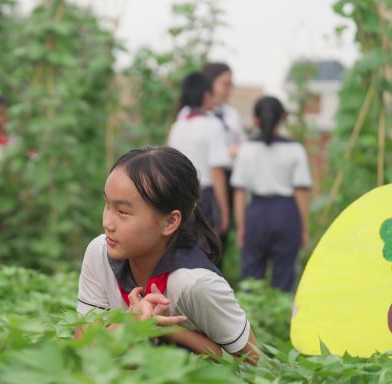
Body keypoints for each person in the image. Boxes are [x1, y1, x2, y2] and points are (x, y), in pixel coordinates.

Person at [76, 146, 258, 363]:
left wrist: (167, 330)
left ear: (170, 222)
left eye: (123, 212)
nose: (107, 222)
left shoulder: (195, 284)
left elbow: (252, 362)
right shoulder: (99, 253)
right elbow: (85, 351)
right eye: (107, 205)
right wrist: (131, 322)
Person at [232, 96, 311, 292]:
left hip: (256, 213)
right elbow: (300, 191)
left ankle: (250, 319)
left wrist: (242, 226)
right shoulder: (295, 149)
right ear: (283, 117)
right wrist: (304, 228)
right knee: (284, 276)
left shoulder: (246, 150)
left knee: (251, 277)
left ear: (256, 120)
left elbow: (239, 192)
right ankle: (282, 319)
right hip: (286, 213)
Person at [168, 73, 231, 246]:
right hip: (205, 198)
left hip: (179, 195)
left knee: (182, 249)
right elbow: (216, 171)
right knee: (207, 250)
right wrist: (224, 211)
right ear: (206, 96)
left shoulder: (178, 126)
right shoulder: (213, 125)